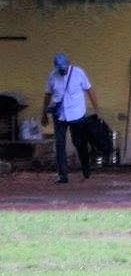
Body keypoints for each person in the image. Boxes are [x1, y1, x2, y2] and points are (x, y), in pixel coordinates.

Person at [41, 52, 99, 183]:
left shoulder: (79, 73)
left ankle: (86, 168)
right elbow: (47, 95)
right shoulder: (52, 76)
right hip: (60, 116)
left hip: (77, 115)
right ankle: (63, 176)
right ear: (55, 67)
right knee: (60, 145)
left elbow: (89, 90)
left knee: (79, 143)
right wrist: (43, 113)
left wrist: (97, 110)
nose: (62, 71)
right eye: (59, 69)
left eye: (64, 68)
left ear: (68, 64)